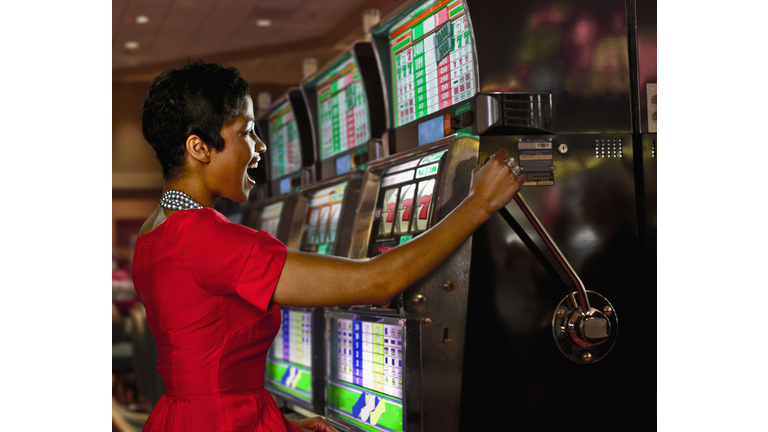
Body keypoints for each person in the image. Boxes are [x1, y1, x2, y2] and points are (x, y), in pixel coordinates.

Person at [133, 60, 525, 432]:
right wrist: (478, 204)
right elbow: (378, 282)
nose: (259, 146)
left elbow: (204, 365)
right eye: (246, 132)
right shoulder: (207, 237)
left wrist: (277, 422)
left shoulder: (155, 233)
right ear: (199, 148)